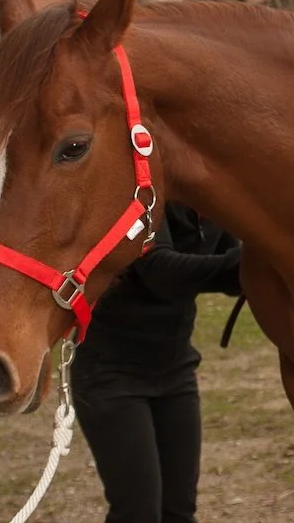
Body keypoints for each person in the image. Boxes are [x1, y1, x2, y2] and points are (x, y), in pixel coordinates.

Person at [70, 201, 242, 523]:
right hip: (110, 374)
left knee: (179, 511)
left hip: (175, 371)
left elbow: (237, 268)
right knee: (137, 514)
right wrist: (245, 264)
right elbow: (161, 271)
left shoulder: (212, 205)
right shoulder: (141, 197)